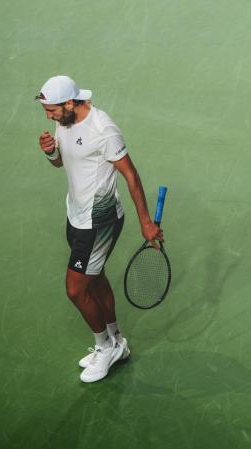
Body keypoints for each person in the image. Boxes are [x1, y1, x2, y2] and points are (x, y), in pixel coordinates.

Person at [35, 75, 163, 383]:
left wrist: (146, 222)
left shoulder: (102, 129)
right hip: (76, 216)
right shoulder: (63, 121)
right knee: (95, 281)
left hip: (99, 223)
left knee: (76, 290)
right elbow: (63, 163)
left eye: (52, 110)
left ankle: (104, 347)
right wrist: (51, 152)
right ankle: (117, 341)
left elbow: (130, 175)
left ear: (70, 103)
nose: (49, 116)